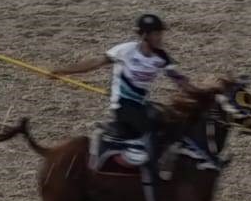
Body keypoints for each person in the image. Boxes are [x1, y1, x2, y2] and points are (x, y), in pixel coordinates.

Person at [50, 14, 194, 180]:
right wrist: (63, 71)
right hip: (122, 106)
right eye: (156, 33)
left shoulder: (161, 57)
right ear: (144, 35)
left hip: (141, 104)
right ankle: (154, 174)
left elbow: (179, 79)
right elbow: (95, 63)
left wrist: (200, 92)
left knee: (173, 121)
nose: (160, 37)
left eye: (160, 33)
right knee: (151, 127)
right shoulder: (126, 50)